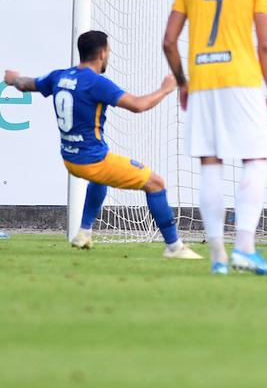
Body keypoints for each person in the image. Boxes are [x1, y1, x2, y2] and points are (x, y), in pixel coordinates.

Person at [4, 31, 200, 259]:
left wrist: (14, 79)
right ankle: (174, 247)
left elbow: (28, 84)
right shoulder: (96, 83)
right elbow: (138, 105)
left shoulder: (60, 76)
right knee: (156, 183)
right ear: (102, 53)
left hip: (70, 159)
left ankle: (84, 233)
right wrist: (166, 88)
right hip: (92, 161)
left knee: (100, 180)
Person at [162, 0, 267, 276]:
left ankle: (217, 257)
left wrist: (183, 82)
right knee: (255, 159)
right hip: (241, 81)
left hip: (203, 82)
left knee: (210, 164)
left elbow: (169, 41)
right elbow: (266, 44)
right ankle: (245, 247)